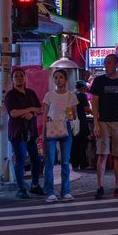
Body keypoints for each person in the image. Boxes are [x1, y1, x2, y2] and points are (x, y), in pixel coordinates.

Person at [90, 53, 118, 199]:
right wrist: (96, 122)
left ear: (116, 64)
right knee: (102, 154)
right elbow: (94, 102)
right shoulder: (99, 81)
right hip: (103, 122)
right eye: (105, 62)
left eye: (108, 63)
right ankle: (100, 186)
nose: (106, 65)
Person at [4, 68, 43, 199]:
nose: (19, 78)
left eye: (21, 76)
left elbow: (40, 109)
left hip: (31, 131)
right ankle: (20, 188)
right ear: (12, 79)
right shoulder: (10, 95)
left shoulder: (31, 93)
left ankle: (35, 185)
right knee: (20, 160)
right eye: (16, 76)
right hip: (17, 132)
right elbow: (13, 113)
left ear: (25, 78)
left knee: (36, 160)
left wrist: (32, 113)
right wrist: (30, 109)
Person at [43, 68, 79, 202]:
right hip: (51, 129)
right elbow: (45, 115)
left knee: (65, 161)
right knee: (50, 161)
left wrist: (72, 114)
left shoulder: (72, 96)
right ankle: (50, 192)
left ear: (66, 79)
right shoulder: (49, 95)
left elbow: (74, 115)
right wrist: (43, 134)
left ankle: (66, 191)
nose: (58, 80)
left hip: (66, 128)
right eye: (56, 77)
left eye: (61, 77)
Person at [70, 80, 91, 170]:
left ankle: (75, 163)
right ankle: (83, 163)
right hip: (81, 122)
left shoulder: (72, 94)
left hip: (73, 122)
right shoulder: (82, 95)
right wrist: (92, 111)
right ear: (83, 87)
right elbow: (86, 109)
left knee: (75, 143)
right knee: (83, 143)